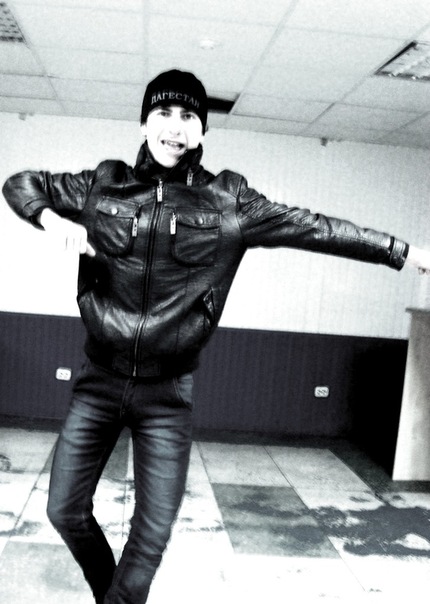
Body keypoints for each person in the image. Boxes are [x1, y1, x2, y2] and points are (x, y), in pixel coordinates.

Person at [3, 69, 430, 603]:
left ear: (202, 130)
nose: (174, 126)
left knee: (151, 534)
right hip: (98, 382)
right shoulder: (102, 184)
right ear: (143, 123)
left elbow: (316, 227)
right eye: (163, 113)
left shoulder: (228, 199)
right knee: (63, 509)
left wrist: (408, 253)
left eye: (188, 116)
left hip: (167, 395)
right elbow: (20, 183)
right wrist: (50, 219)